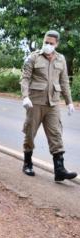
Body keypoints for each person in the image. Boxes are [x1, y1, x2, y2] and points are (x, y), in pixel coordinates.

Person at [20, 30, 77, 181]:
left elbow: (64, 82)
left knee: (56, 134)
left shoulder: (61, 59)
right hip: (35, 102)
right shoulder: (33, 57)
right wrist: (25, 96)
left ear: (56, 44)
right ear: (43, 41)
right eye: (46, 42)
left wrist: (69, 101)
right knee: (30, 133)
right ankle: (27, 163)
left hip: (53, 104)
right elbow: (25, 78)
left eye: (51, 43)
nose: (48, 45)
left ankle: (59, 170)